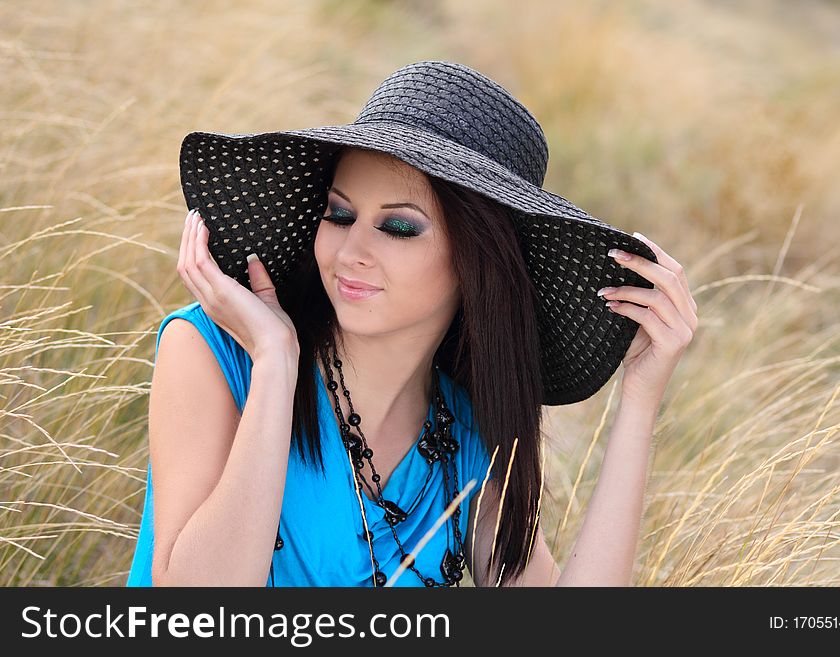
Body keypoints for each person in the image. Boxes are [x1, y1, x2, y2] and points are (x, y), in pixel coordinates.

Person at [126, 60, 698, 588]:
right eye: (339, 214)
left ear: (476, 265)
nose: (351, 251)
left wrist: (641, 398)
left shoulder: (463, 436)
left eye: (398, 228)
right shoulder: (212, 352)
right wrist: (276, 363)